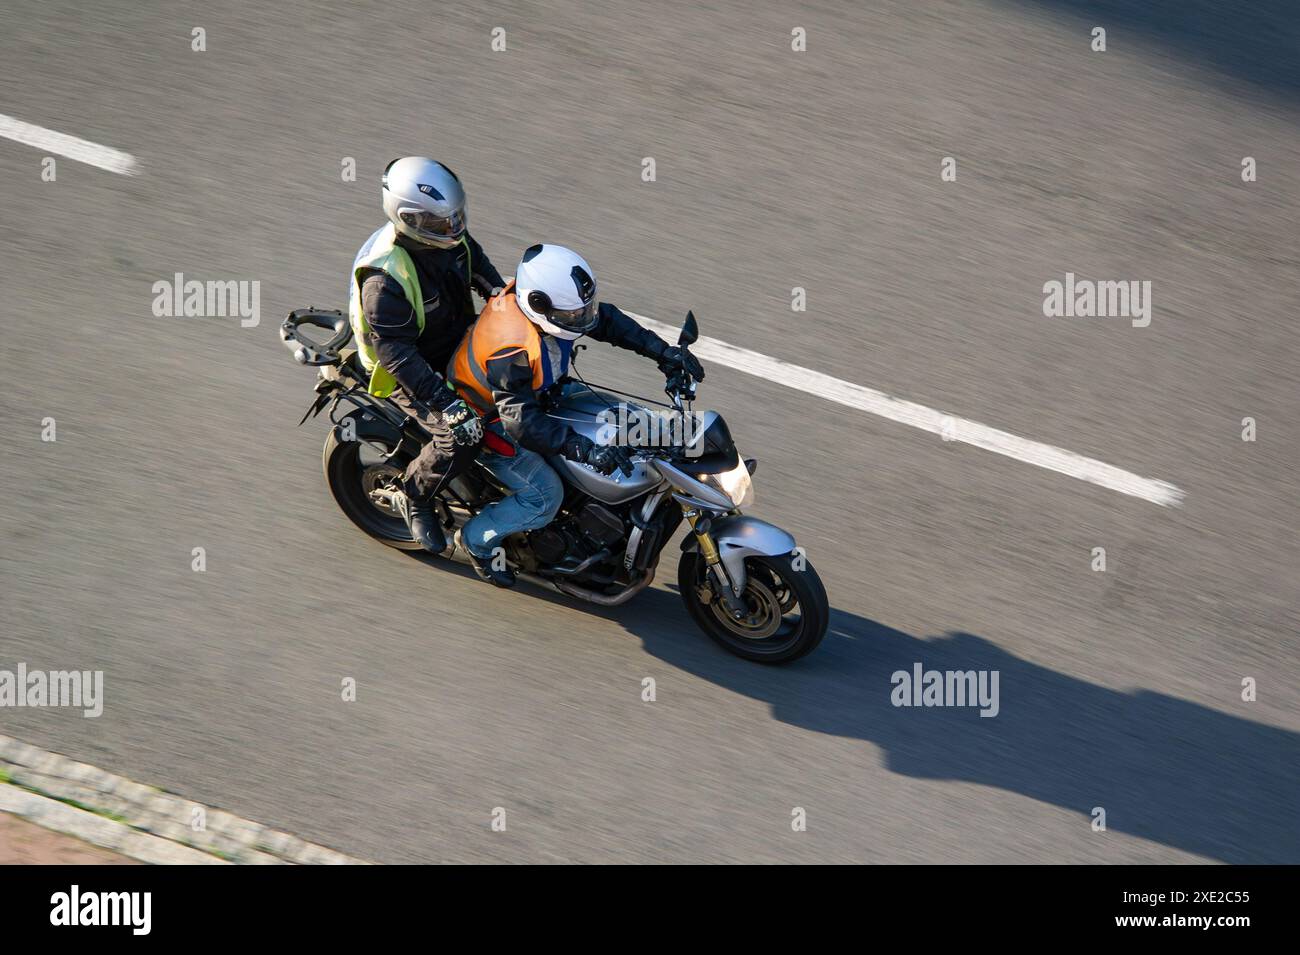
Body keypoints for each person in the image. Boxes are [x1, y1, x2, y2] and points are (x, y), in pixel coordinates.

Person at [447, 244, 704, 586]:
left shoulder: (552, 312)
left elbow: (607, 321)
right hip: (490, 422)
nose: (583, 320)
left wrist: (664, 354)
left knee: (632, 422)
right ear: (539, 305)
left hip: (543, 397)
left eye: (583, 311)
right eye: (575, 316)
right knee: (544, 496)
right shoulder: (509, 347)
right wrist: (582, 449)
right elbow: (521, 422)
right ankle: (476, 541)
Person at [347, 157, 506, 553]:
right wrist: (448, 404)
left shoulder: (449, 238)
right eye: (441, 223)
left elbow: (483, 273)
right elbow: (397, 356)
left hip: (449, 337)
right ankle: (415, 496)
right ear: (409, 220)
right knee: (460, 436)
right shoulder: (385, 281)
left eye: (457, 217)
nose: (453, 228)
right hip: (404, 366)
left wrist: (510, 308)